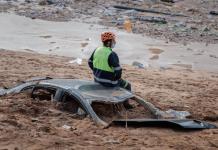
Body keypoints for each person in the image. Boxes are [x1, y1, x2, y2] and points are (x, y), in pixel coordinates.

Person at [88, 32, 132, 108]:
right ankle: (126, 104)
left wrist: (96, 71)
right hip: (109, 83)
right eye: (113, 41)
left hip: (97, 80)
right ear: (108, 43)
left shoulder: (97, 50)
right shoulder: (111, 54)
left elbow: (89, 62)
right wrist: (116, 79)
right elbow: (118, 70)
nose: (115, 42)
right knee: (127, 85)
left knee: (120, 82)